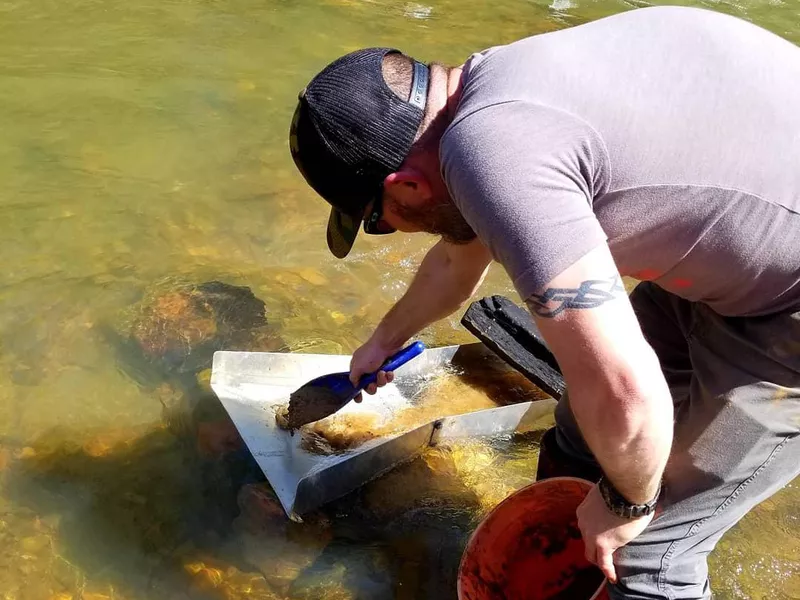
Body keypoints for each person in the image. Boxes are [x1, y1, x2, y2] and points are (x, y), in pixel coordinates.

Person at [287, 5, 800, 599]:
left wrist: (625, 501)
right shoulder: (491, 91)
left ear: (406, 185)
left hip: (786, 305)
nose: (393, 232)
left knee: (650, 551)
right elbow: (458, 257)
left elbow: (628, 392)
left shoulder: (495, 161)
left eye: (376, 221)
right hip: (739, 245)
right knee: (581, 441)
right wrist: (383, 342)